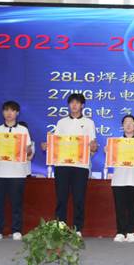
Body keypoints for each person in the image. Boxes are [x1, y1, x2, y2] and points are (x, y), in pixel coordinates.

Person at [42, 93, 98, 237]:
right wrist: (47, 145)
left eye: (77, 103)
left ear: (82, 105)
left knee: (79, 198)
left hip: (81, 166)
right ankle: (60, 227)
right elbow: (56, 142)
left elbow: (93, 144)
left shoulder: (89, 122)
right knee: (61, 198)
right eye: (72, 102)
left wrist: (93, 146)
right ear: (68, 105)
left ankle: (77, 228)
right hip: (62, 165)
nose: (74, 105)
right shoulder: (61, 122)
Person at [0, 101, 31, 241]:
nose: (9, 113)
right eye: (6, 110)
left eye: (12, 110)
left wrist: (28, 149)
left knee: (17, 203)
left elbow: (29, 151)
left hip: (17, 172)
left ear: (17, 113)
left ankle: (16, 230)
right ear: (2, 112)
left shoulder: (23, 131)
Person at [111, 114, 134, 243]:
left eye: (131, 122)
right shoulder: (116, 142)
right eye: (126, 122)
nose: (128, 124)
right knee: (119, 207)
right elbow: (111, 159)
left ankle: (131, 232)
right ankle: (120, 232)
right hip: (119, 179)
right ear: (122, 126)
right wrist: (109, 151)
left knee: (132, 207)